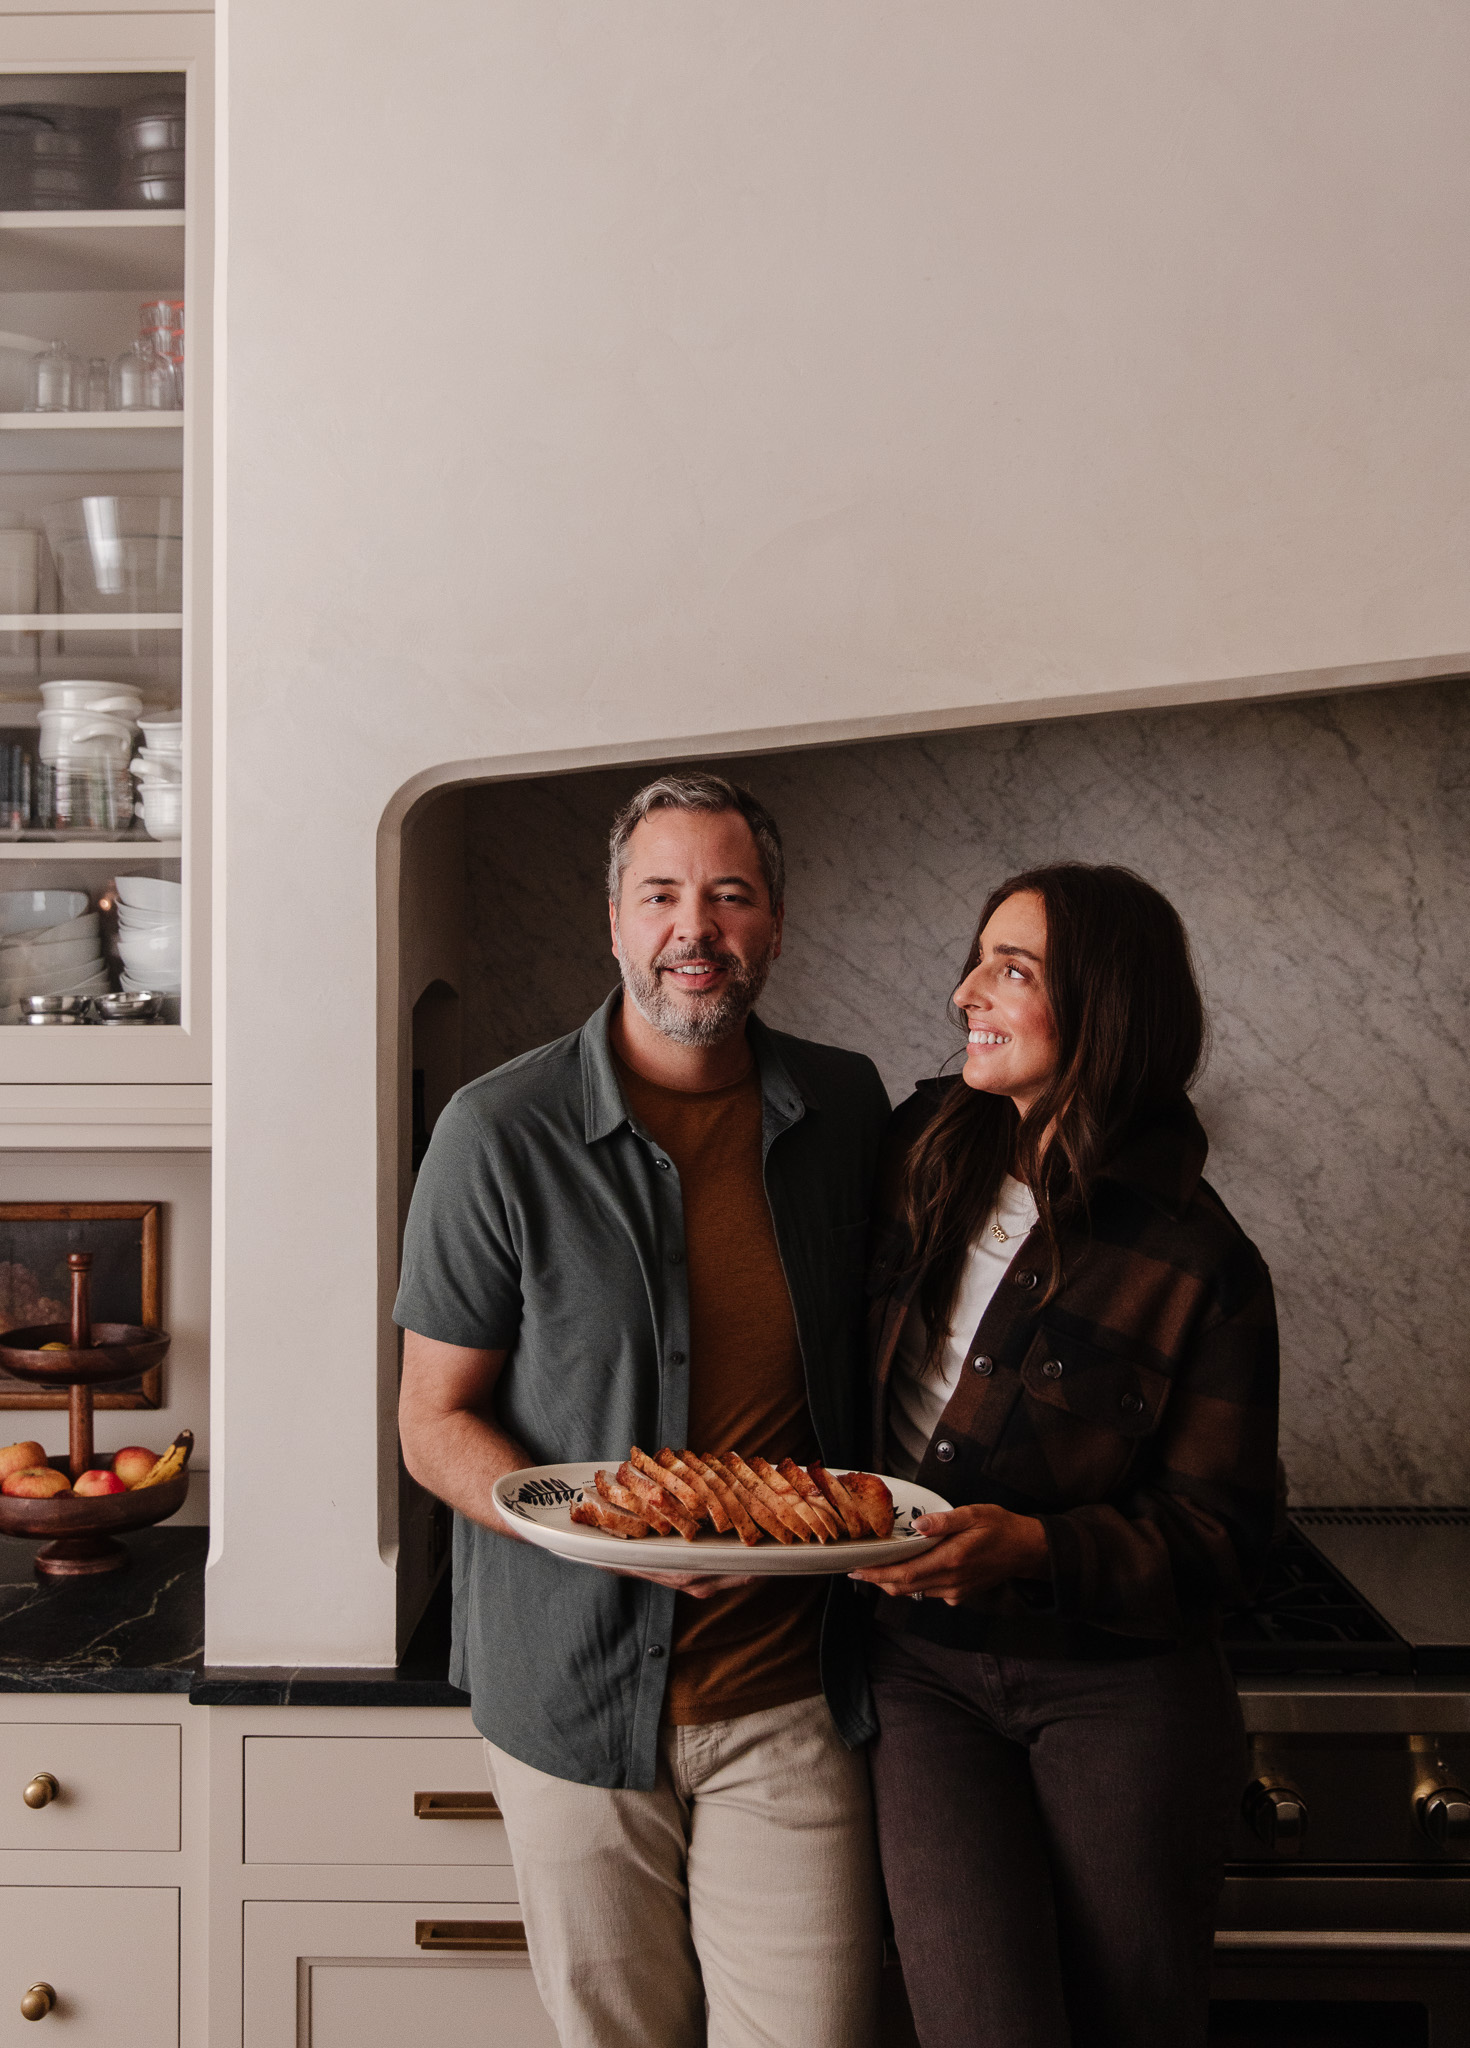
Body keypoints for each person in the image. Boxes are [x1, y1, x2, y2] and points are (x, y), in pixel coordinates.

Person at [395, 771, 892, 2048]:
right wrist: (605, 1537)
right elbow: (433, 1419)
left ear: (776, 922)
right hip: (570, 1692)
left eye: (730, 893)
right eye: (661, 892)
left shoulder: (847, 1110)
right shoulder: (497, 1131)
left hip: (792, 1695)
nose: (696, 926)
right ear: (612, 922)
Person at [850, 863, 1279, 2048]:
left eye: (1013, 968)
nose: (963, 991)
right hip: (919, 1670)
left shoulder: (1201, 1258)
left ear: (1107, 1005)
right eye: (979, 955)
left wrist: (1033, 1546)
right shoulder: (918, 1145)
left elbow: (1224, 1535)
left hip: (1119, 1688)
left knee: (1136, 2025)